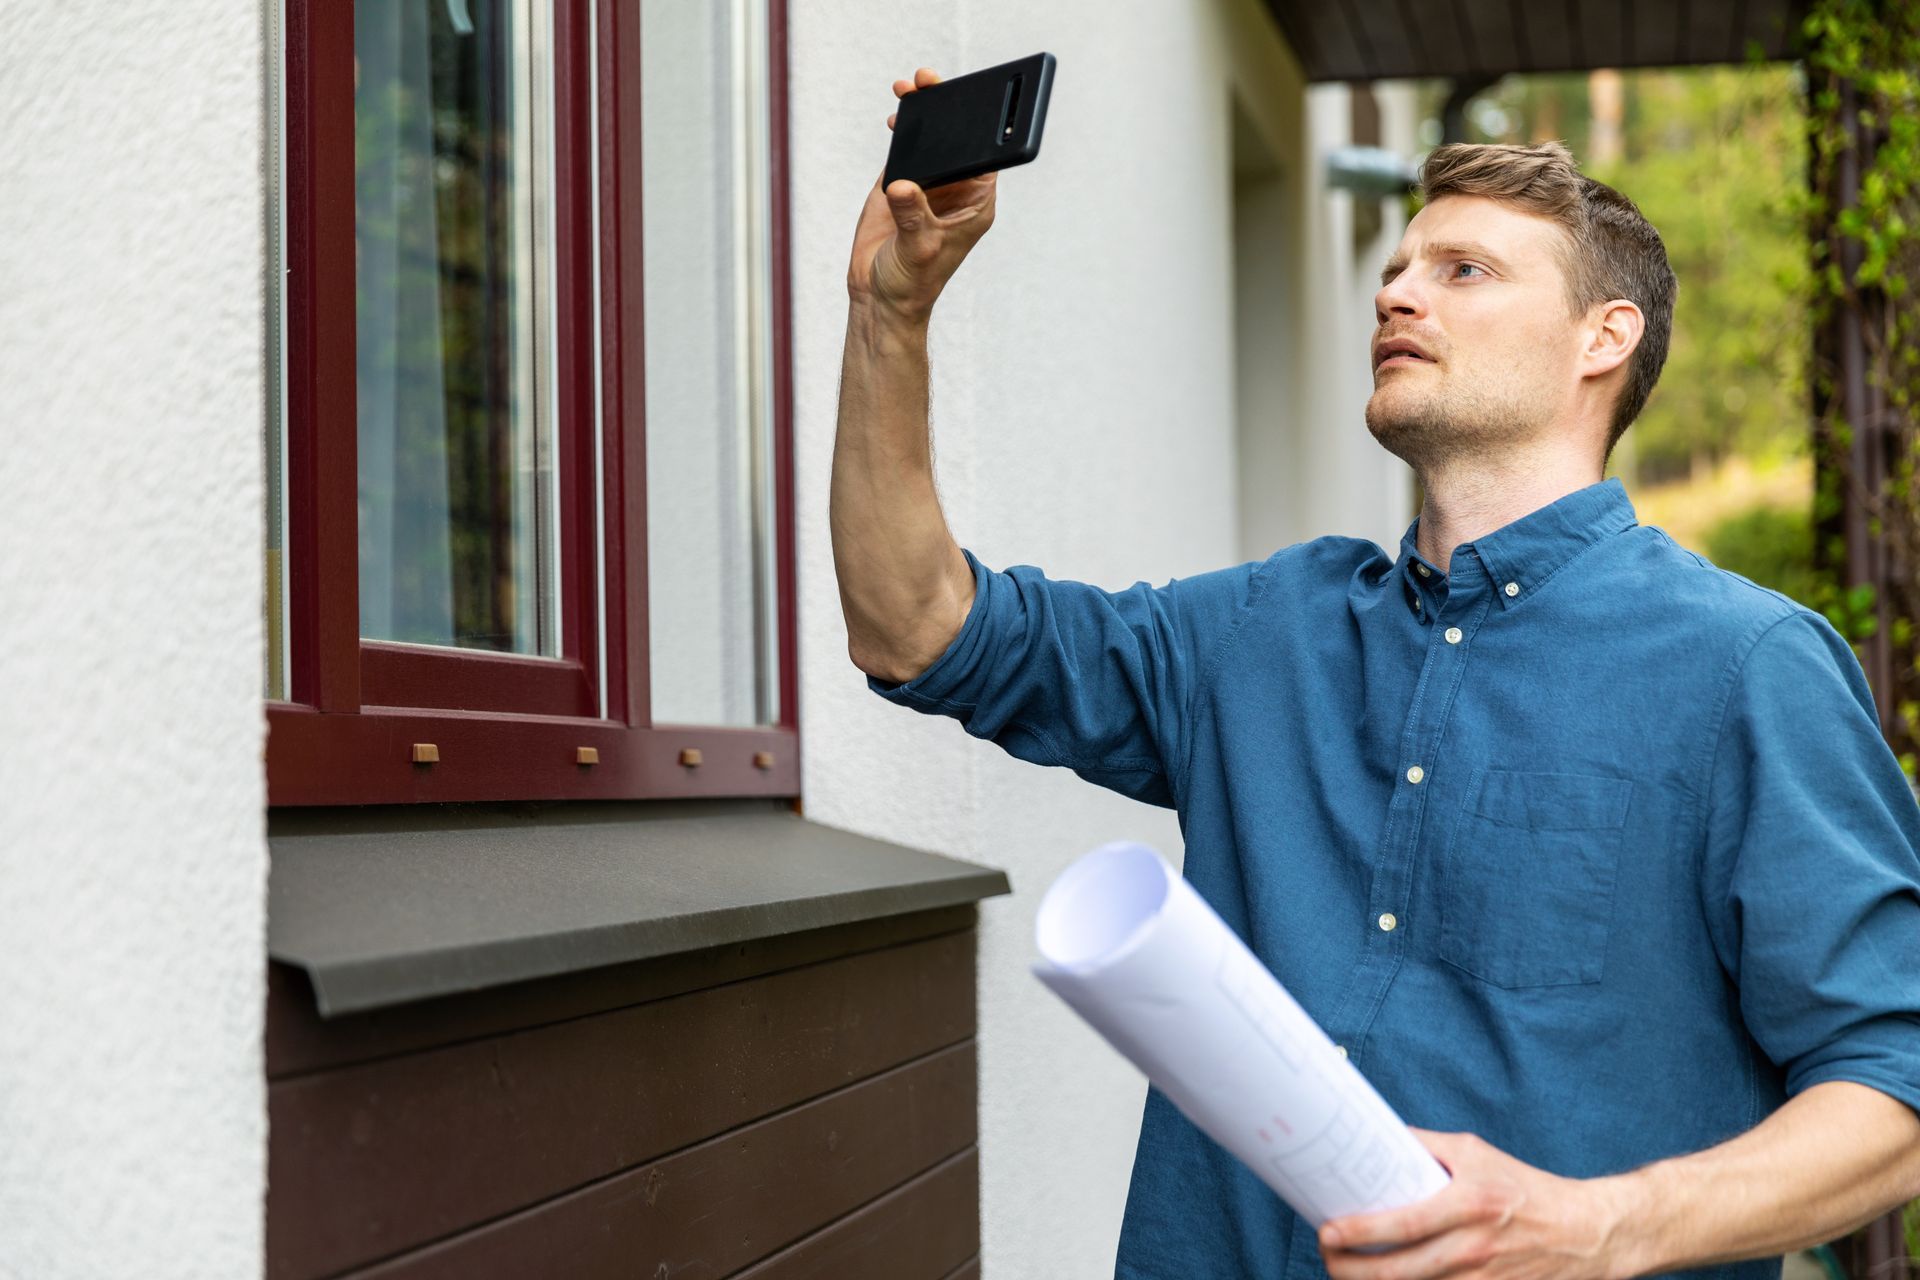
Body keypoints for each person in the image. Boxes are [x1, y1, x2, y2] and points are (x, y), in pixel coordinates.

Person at [831, 66, 1920, 1280]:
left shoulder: (1749, 668)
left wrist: (1601, 1224)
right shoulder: (1261, 628)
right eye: (1398, 268)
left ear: (1601, 341)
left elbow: (1895, 1088)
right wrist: (891, 315)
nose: (1398, 291)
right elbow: (917, 626)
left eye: (1464, 270)